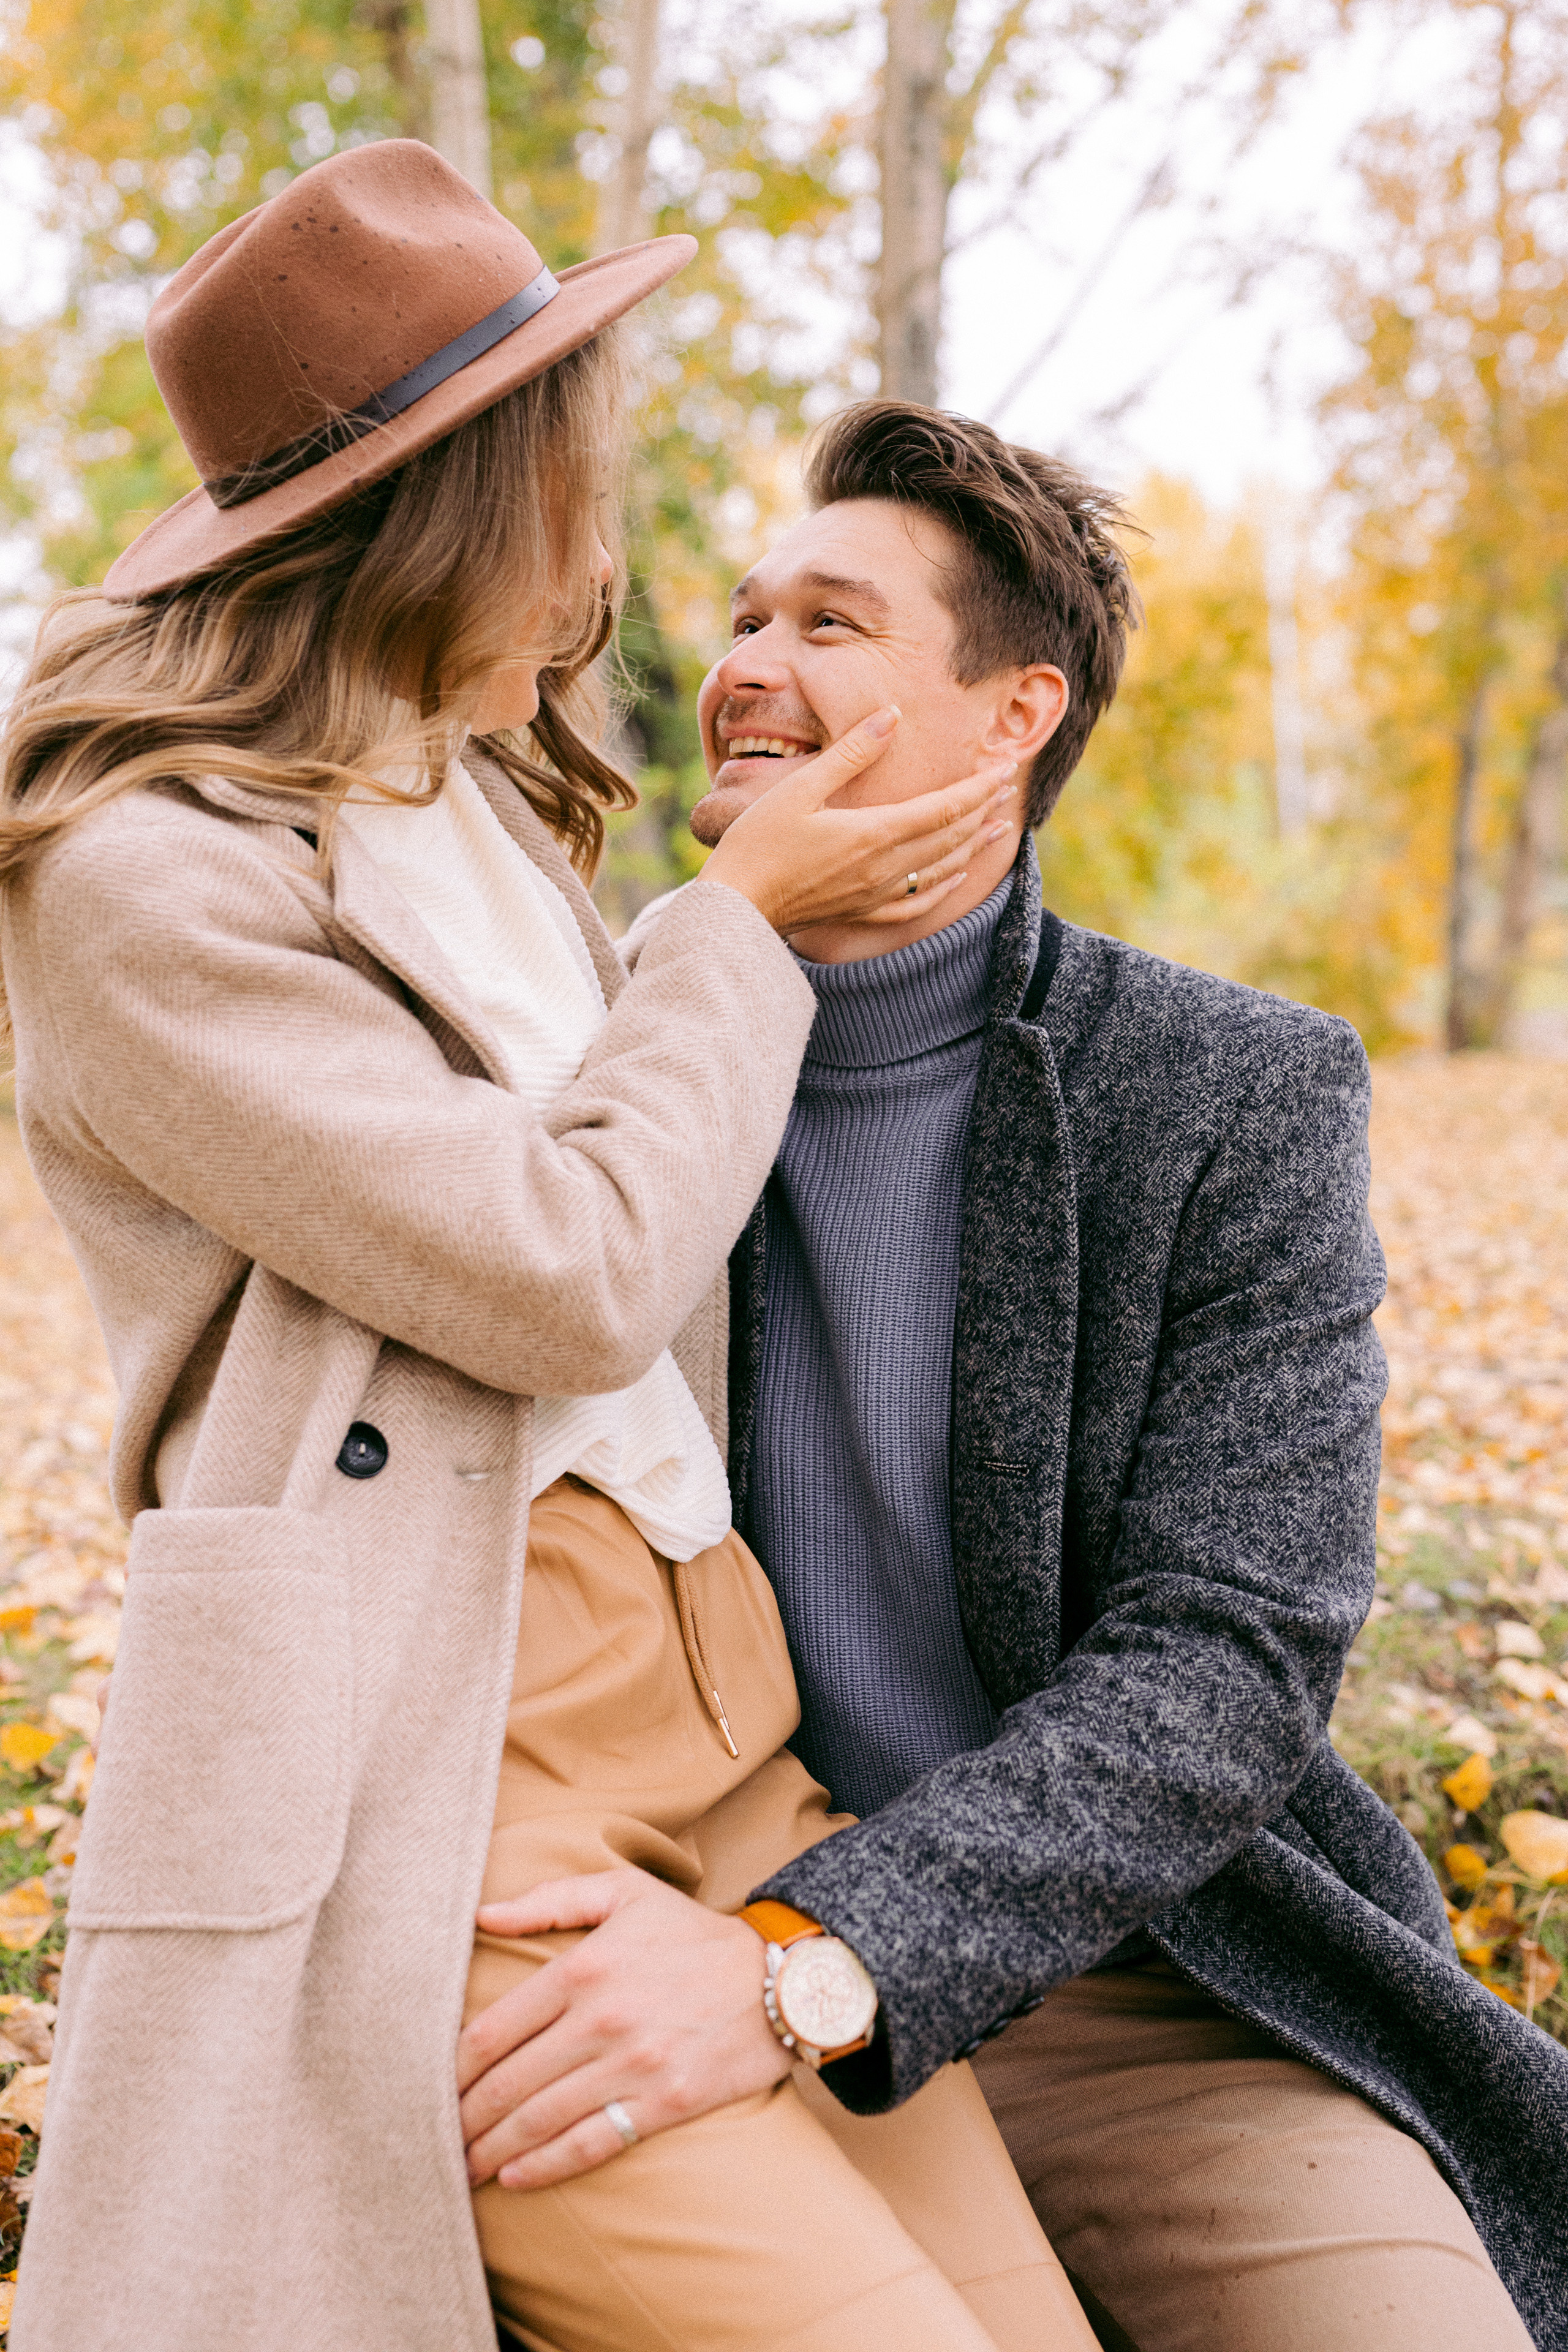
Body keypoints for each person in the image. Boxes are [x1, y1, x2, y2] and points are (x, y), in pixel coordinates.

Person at [0, 150, 1104, 2352]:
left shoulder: (483, 796)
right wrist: (742, 919)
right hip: (447, 1791)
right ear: (478, 494)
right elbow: (568, 1266)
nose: (613, 537)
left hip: (737, 1776)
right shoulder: (144, 877)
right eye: (577, 460)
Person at [459, 401, 1568, 2352]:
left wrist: (822, 1959)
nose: (744, 673)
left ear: (1012, 715)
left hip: (1151, 1982)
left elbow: (1231, 1660)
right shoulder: (610, 1069)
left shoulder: (1228, 1094)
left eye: (831, 626)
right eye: (744, 617)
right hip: (703, 1899)